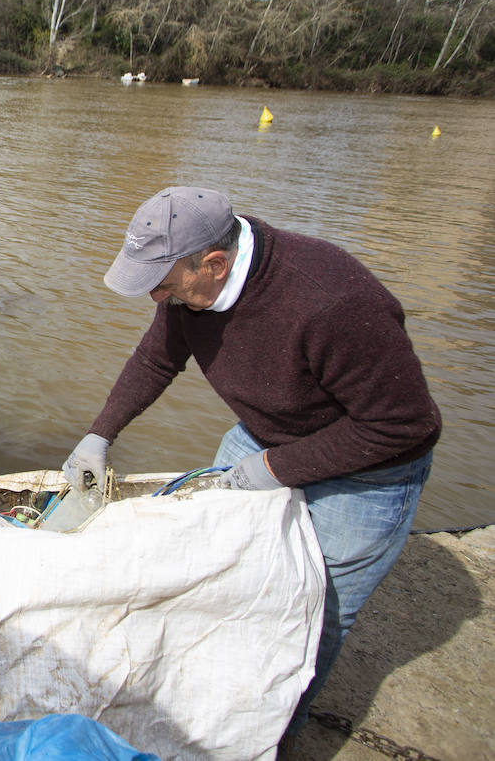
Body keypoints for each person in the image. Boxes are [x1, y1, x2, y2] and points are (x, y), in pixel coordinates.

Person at [63, 185, 441, 739]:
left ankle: (272, 735)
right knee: (222, 563)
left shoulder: (330, 301)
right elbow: (156, 358)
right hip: (265, 433)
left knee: (315, 611)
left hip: (369, 469)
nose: (155, 298)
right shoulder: (189, 291)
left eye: (163, 284)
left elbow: (405, 425)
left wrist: (274, 471)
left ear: (214, 264)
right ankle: (211, 693)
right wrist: (100, 433)